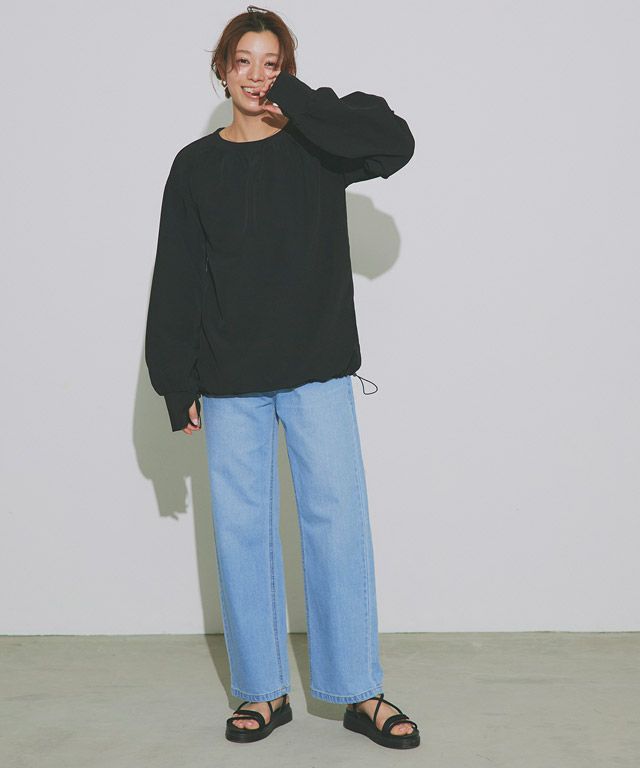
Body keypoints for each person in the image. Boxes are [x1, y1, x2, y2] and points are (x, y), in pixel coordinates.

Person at [144, 5, 419, 750]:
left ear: (287, 72)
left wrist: (297, 102)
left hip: (316, 369)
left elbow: (394, 140)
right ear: (222, 69)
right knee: (242, 534)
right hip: (229, 377)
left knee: (337, 526)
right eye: (245, 62)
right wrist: (176, 380)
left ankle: (359, 691)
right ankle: (262, 692)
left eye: (273, 64)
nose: (257, 76)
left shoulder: (318, 146)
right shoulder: (195, 166)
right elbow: (177, 275)